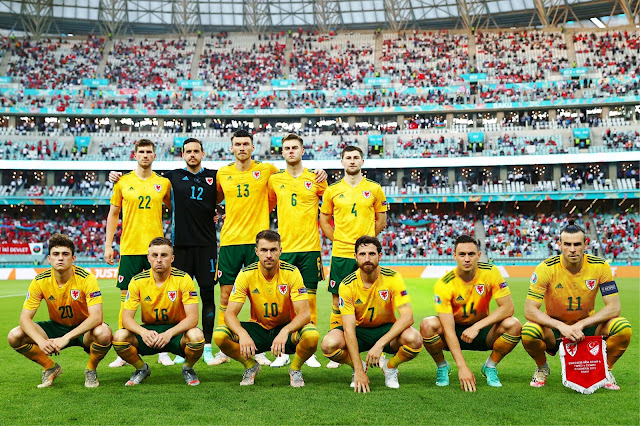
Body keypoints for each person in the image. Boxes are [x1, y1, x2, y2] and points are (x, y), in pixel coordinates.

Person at [211, 129, 325, 367]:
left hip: (260, 242)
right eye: (237, 144)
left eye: (246, 144)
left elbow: (275, 200)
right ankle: (235, 346)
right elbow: (215, 200)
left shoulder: (269, 171)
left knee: (269, 294)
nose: (242, 148)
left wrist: (322, 174)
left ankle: (288, 347)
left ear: (253, 147)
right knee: (226, 295)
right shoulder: (223, 173)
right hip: (230, 240)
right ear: (231, 148)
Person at [109, 137, 218, 365]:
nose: (192, 154)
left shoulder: (204, 177)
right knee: (144, 298)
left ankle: (194, 346)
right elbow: (116, 212)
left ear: (202, 153)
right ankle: (137, 345)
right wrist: (114, 176)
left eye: (196, 151)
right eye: (188, 151)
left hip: (189, 246)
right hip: (149, 246)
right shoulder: (168, 178)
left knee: (200, 295)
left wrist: (217, 211)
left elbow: (207, 200)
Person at [522, 223, 631, 389]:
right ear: (559, 245)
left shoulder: (600, 266)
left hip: (587, 327)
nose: (572, 249)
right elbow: (529, 310)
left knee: (622, 327)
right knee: (529, 331)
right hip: (555, 329)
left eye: (577, 244)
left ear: (585, 244)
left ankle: (604, 371)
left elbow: (614, 307)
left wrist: (580, 325)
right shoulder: (545, 268)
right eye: (567, 244)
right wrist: (561, 326)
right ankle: (542, 367)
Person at [213, 230, 319, 387]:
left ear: (280, 251)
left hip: (286, 331)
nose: (268, 255)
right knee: (220, 335)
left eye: (273, 250)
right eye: (264, 250)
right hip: (259, 329)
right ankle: (251, 366)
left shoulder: (292, 272)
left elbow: (304, 314)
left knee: (312, 335)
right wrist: (242, 334)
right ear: (256, 251)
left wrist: (285, 331)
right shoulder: (246, 274)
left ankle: (295, 369)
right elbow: (230, 314)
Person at [8, 234, 112, 388]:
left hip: (85, 329)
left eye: (65, 254)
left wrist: (66, 338)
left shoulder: (86, 278)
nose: (60, 258)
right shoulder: (39, 281)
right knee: (14, 336)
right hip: (56, 326)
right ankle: (50, 368)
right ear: (49, 258)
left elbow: (97, 317)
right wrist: (41, 341)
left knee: (104, 333)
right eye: (56, 254)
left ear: (73, 258)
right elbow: (24, 319)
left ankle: (91, 369)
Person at [420, 235, 521, 391]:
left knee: (514, 324)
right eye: (462, 254)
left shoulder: (491, 272)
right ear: (454, 256)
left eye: (471, 254)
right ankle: (442, 367)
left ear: (479, 256)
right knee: (427, 324)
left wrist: (477, 327)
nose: (467, 259)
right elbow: (448, 329)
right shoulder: (444, 283)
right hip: (454, 333)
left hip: (482, 332)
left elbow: (508, 308)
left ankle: (490, 367)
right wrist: (462, 367)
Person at [321, 236, 422, 392]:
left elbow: (408, 317)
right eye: (362, 254)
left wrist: (379, 345)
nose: (367, 258)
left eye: (371, 254)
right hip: (359, 331)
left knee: (414, 339)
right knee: (328, 344)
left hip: (386, 331)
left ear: (379, 256)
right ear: (355, 257)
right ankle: (358, 366)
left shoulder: (393, 278)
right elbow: (348, 329)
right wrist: (359, 371)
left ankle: (390, 367)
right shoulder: (347, 285)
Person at [104, 138, 172, 368]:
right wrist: (108, 245)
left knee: (159, 297)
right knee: (127, 301)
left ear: (154, 156)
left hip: (157, 250)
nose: (145, 155)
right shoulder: (122, 182)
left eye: (149, 152)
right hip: (130, 248)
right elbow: (113, 215)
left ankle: (162, 348)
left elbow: (178, 208)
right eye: (141, 151)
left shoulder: (163, 183)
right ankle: (123, 348)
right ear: (135, 155)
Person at [319, 145, 387, 368]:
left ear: (362, 161)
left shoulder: (375, 189)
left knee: (372, 298)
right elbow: (324, 220)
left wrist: (366, 244)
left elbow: (381, 220)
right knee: (337, 299)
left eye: (356, 157)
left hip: (366, 255)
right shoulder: (332, 190)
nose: (352, 161)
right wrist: (337, 240)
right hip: (341, 253)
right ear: (342, 161)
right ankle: (338, 343)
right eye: (348, 157)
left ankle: (378, 346)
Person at [267, 133, 327, 368]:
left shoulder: (316, 178)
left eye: (295, 147)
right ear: (282, 153)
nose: (291, 151)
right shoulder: (275, 180)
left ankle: (307, 349)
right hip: (286, 249)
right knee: (284, 304)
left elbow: (331, 208)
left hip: (310, 249)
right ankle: (281, 352)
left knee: (310, 302)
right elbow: (268, 205)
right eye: (286, 148)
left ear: (303, 151)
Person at [112, 237, 205, 386]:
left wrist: (169, 334)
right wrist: (143, 332)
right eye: (154, 255)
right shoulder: (137, 281)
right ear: (148, 258)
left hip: (177, 333)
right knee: (119, 336)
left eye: (164, 255)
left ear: (172, 258)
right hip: (150, 333)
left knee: (197, 335)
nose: (159, 260)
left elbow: (193, 318)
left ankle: (188, 368)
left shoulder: (184, 279)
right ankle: (141, 369)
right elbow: (126, 319)